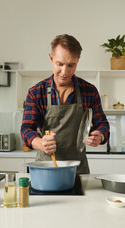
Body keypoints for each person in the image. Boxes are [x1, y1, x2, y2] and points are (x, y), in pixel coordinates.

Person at [21, 34, 110, 174]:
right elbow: (26, 129)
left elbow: (103, 124)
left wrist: (101, 135)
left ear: (77, 61)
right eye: (60, 64)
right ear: (51, 59)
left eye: (71, 65)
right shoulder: (36, 92)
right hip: (45, 168)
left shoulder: (89, 91)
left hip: (77, 170)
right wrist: (40, 143)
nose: (65, 71)